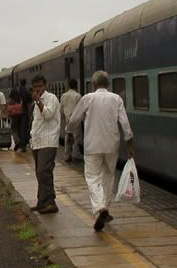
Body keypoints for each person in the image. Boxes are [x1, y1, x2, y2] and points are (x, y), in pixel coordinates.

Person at [66, 71, 135, 232]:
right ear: (108, 84)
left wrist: (68, 130)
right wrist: (129, 143)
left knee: (92, 177)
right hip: (112, 145)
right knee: (109, 177)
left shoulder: (87, 98)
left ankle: (100, 207)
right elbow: (125, 123)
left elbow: (74, 120)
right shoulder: (116, 99)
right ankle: (105, 208)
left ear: (94, 84)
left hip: (92, 146)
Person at [29, 75, 61, 214]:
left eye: (40, 86)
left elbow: (47, 115)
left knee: (44, 171)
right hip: (37, 141)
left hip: (48, 141)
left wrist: (38, 102)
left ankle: (50, 202)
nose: (38, 89)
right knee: (39, 172)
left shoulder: (51, 98)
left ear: (45, 86)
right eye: (35, 87)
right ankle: (42, 201)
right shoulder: (35, 103)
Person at [60, 79, 83, 162]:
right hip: (75, 119)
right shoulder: (77, 96)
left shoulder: (64, 95)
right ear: (76, 85)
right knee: (76, 137)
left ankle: (67, 155)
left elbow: (61, 108)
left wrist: (61, 117)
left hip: (67, 120)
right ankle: (75, 154)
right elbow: (80, 109)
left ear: (69, 86)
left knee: (68, 137)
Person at [17, 79, 33, 151]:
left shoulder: (17, 90)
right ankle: (23, 144)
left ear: (20, 83)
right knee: (24, 128)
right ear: (25, 83)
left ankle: (19, 143)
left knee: (18, 128)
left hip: (16, 112)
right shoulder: (27, 92)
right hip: (24, 112)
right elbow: (30, 102)